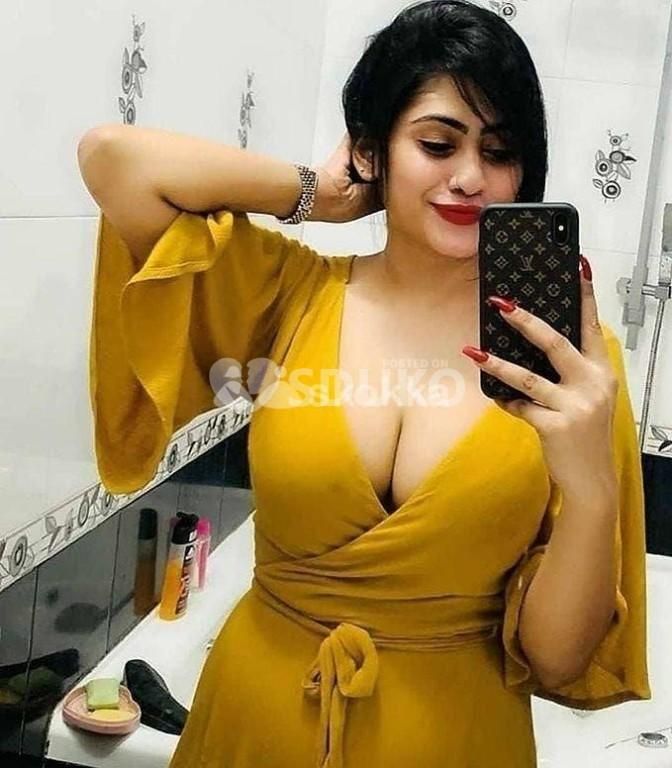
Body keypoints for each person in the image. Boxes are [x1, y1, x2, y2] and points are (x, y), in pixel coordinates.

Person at [78, 1, 651, 765]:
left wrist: (590, 491)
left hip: (457, 741)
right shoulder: (292, 293)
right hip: (252, 726)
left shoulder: (572, 362)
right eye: (437, 143)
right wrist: (320, 193)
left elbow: (557, 660)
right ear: (376, 149)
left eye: (500, 151)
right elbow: (115, 161)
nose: (470, 177)